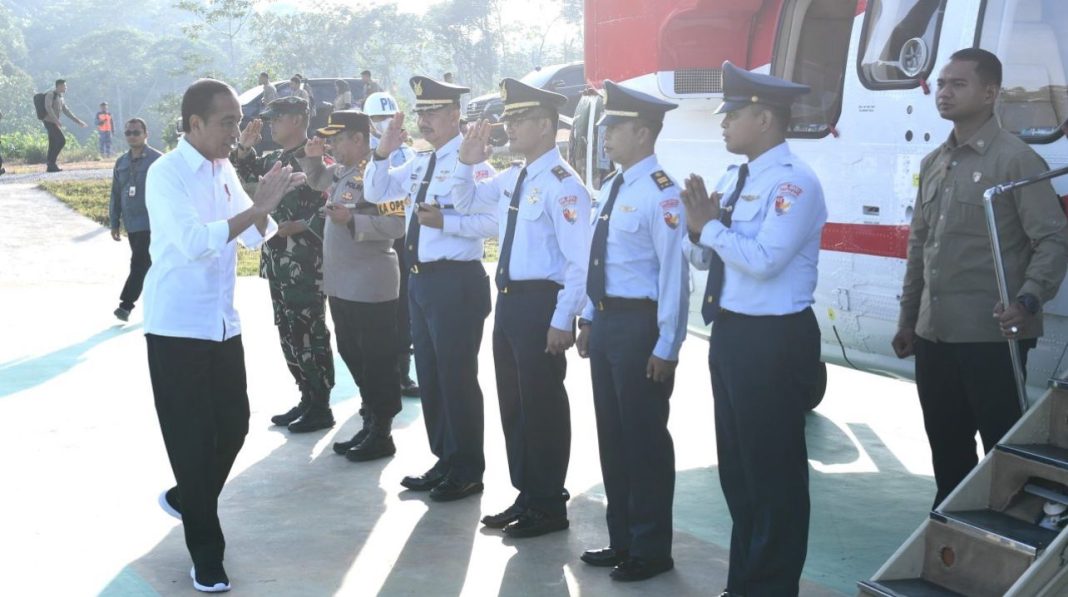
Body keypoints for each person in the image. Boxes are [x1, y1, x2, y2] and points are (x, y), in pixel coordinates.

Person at [143, 77, 300, 593]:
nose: (238, 132)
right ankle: (207, 556)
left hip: (221, 323)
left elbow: (259, 233)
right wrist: (255, 208)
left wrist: (266, 203)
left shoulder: (224, 168)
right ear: (194, 124)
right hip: (177, 327)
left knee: (234, 425)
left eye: (238, 121)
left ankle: (191, 498)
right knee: (190, 443)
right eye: (228, 122)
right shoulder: (166, 174)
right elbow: (192, 243)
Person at [892, 48, 1068, 507]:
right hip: (935, 337)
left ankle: (1005, 553)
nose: (944, 92)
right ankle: (949, 542)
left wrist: (1028, 301)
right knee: (947, 453)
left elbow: (1053, 240)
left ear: (990, 93)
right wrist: (908, 320)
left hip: (993, 338)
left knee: (1001, 459)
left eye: (958, 84)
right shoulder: (935, 162)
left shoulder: (1016, 161)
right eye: (942, 83)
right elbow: (921, 248)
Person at [680, 61, 827, 597]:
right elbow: (705, 258)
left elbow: (765, 259)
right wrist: (697, 233)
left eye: (733, 115)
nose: (723, 124)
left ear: (764, 119)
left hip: (774, 338)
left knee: (775, 477)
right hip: (733, 336)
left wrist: (711, 228)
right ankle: (744, 583)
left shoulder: (793, 183)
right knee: (739, 474)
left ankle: (770, 588)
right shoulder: (732, 179)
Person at [454, 78, 590, 537]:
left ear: (546, 126)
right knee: (514, 405)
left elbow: (579, 262)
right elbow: (467, 200)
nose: (509, 127)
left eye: (519, 119)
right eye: (508, 119)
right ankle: (527, 493)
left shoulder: (563, 186)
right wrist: (468, 163)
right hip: (510, 303)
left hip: (540, 307)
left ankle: (550, 503)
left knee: (543, 406)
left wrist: (562, 319)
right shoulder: (516, 176)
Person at [575, 80, 688, 582]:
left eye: (613, 127)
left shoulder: (662, 194)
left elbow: (673, 277)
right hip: (608, 322)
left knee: (643, 440)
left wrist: (667, 344)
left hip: (641, 327)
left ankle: (650, 548)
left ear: (643, 132)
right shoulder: (614, 186)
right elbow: (600, 260)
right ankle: (622, 538)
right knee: (612, 436)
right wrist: (590, 318)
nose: (605, 136)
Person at [365, 75, 496, 502]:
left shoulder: (473, 161)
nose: (424, 120)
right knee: (433, 377)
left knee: (457, 378)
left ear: (456, 114)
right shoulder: (420, 162)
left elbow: (494, 223)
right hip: (420, 280)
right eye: (420, 112)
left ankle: (467, 468)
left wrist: (449, 223)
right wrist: (382, 152)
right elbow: (376, 190)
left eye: (433, 112)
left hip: (456, 283)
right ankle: (445, 459)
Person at [300, 110, 406, 461]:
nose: (332, 144)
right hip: (342, 283)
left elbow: (396, 226)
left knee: (376, 359)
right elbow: (316, 180)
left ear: (358, 140)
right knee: (353, 354)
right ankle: (369, 419)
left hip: (370, 284)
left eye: (338, 138)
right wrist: (312, 159)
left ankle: (382, 431)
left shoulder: (380, 177)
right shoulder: (342, 171)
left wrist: (353, 221)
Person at [232, 96, 335, 434]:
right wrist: (244, 149)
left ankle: (320, 403)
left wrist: (302, 226)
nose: (271, 125)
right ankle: (305, 395)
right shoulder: (274, 159)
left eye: (277, 119)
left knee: (310, 332)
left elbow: (330, 202)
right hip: (278, 260)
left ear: (297, 119)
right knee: (288, 330)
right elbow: (244, 182)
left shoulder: (317, 157)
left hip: (305, 262)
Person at [364, 90, 419, 397]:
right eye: (378, 119)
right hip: (376, 241)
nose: (385, 123)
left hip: (403, 238)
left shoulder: (409, 153)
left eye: (389, 117)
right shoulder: (366, 153)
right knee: (380, 310)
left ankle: (403, 371)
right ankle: (383, 373)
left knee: (403, 308)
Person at [109, 117, 162, 322]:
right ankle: (156, 303)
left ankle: (125, 305)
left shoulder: (158, 160)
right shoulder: (121, 162)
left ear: (145, 134)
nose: (132, 136)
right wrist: (114, 221)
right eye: (128, 133)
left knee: (139, 262)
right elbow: (116, 193)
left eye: (136, 132)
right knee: (148, 265)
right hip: (132, 223)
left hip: (153, 223)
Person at [42, 79, 87, 172]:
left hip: (54, 122)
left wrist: (78, 121)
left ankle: (50, 166)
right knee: (61, 140)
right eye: (64, 86)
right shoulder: (50, 94)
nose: (66, 87)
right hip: (49, 122)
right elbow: (48, 108)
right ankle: (51, 163)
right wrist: (56, 120)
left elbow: (66, 111)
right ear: (59, 86)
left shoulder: (60, 97)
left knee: (53, 143)